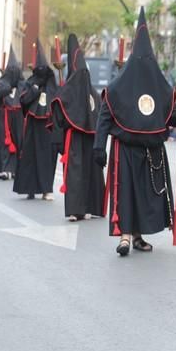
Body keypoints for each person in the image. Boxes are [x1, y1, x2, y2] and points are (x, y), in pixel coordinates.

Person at [93, 7, 176, 256]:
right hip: (124, 149)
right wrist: (98, 147)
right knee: (125, 192)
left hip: (151, 151)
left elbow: (167, 118)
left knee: (146, 195)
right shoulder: (116, 88)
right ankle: (124, 236)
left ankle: (137, 236)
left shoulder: (162, 88)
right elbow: (104, 117)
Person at [50, 35, 106, 222]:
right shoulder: (71, 93)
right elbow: (59, 114)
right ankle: (78, 209)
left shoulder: (85, 94)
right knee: (77, 173)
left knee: (87, 172)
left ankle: (86, 207)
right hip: (74, 139)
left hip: (84, 139)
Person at [13, 40, 59, 201]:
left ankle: (47, 189)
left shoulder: (53, 84)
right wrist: (35, 89)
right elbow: (23, 100)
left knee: (47, 159)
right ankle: (29, 188)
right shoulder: (31, 82)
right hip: (33, 127)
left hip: (47, 127)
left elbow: (58, 101)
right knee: (31, 158)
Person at [0, 46, 23, 181]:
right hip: (3, 117)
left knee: (18, 143)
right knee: (4, 144)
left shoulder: (23, 85)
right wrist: (7, 88)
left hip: (19, 118)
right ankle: (6, 170)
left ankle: (16, 169)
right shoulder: (1, 83)